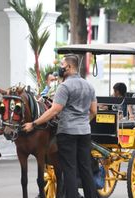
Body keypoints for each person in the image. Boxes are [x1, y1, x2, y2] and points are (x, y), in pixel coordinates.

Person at [23, 54, 98, 198]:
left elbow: (55, 110)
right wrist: (83, 122)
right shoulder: (89, 85)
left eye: (62, 65)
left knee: (69, 169)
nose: (60, 68)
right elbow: (94, 111)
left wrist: (33, 124)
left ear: (69, 67)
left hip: (67, 132)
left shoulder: (65, 86)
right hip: (84, 133)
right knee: (85, 168)